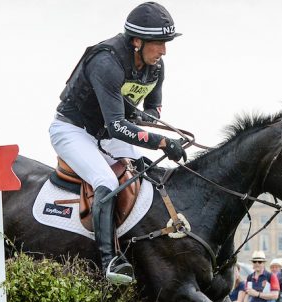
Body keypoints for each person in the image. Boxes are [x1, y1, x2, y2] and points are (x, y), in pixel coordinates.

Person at [51, 2, 186, 284]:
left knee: (146, 172)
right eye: (159, 43)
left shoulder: (155, 67)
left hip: (109, 134)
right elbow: (117, 125)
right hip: (74, 130)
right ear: (137, 41)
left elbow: (153, 109)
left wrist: (147, 121)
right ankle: (109, 261)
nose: (164, 50)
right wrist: (162, 142)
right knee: (107, 183)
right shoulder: (106, 61)